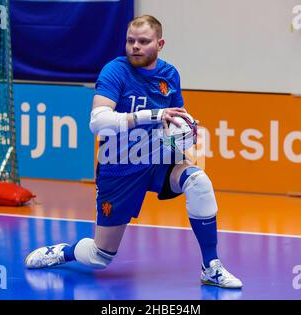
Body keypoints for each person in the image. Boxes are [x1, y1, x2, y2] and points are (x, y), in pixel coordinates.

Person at [25, 15, 242, 289]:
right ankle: (65, 252)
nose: (135, 47)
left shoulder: (169, 74)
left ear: (159, 44)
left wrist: (186, 133)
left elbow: (175, 117)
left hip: (160, 158)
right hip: (119, 165)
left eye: (143, 41)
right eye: (130, 41)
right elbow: (98, 122)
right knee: (100, 256)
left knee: (199, 181)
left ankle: (211, 267)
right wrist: (151, 115)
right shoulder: (115, 71)